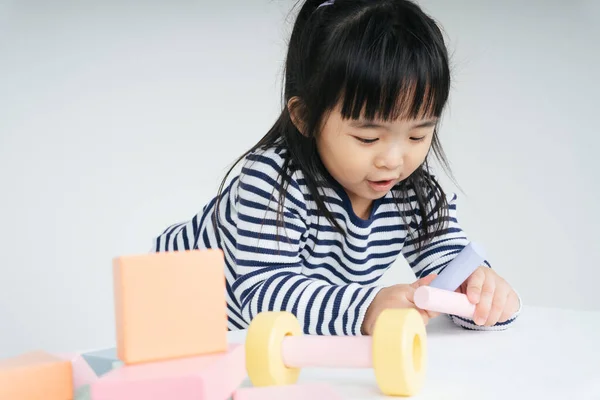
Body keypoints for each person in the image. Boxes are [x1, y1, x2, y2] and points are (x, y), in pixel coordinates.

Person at [153, 0, 521, 335]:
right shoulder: (273, 181)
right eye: (368, 138)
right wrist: (367, 307)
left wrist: (482, 292)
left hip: (265, 341)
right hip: (174, 306)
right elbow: (262, 294)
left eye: (417, 136)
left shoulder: (412, 193)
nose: (393, 160)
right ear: (306, 117)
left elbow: (451, 267)